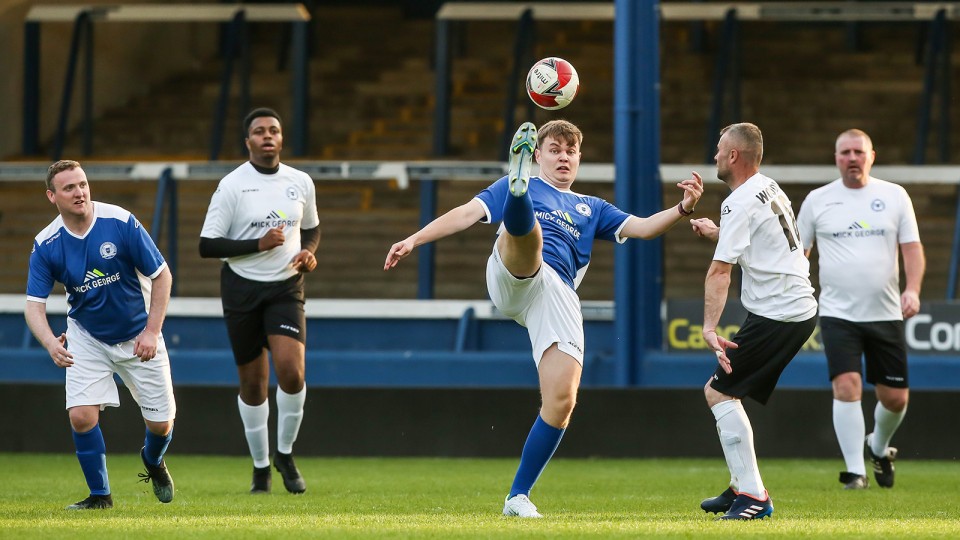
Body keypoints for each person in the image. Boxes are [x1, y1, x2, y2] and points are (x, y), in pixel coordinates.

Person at [384, 119, 704, 518]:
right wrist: (414, 239)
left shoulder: (593, 207)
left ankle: (517, 497)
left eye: (570, 151)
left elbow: (642, 228)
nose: (564, 157)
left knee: (562, 401)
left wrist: (682, 207)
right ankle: (519, 203)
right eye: (554, 150)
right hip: (512, 272)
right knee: (530, 238)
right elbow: (465, 214)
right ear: (537, 156)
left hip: (557, 294)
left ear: (579, 158)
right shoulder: (515, 185)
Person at [25, 160, 176, 510]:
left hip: (139, 334)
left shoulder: (119, 221)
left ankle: (153, 460)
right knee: (81, 416)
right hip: (87, 335)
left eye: (82, 184)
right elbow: (34, 306)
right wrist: (50, 342)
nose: (79, 192)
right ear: (52, 196)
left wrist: (152, 332)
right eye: (69, 188)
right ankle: (100, 496)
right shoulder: (46, 244)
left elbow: (162, 275)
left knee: (161, 425)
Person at [690, 123, 817, 520]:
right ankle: (739, 486)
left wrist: (709, 328)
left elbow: (719, 273)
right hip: (791, 308)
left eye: (719, 149)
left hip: (780, 313)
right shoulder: (768, 187)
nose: (714, 155)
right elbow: (760, 241)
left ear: (733, 156)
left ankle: (754, 496)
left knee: (719, 392)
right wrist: (718, 232)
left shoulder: (738, 202)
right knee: (726, 391)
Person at [199, 107, 320, 494]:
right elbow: (207, 245)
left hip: (286, 287)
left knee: (292, 372)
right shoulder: (232, 186)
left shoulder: (300, 181)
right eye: (259, 131)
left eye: (274, 130)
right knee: (253, 384)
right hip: (242, 288)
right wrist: (258, 244)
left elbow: (312, 229)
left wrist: (308, 252)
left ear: (281, 139)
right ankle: (260, 467)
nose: (268, 136)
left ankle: (285, 453)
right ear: (248, 141)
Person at [796, 129, 924, 490]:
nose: (852, 158)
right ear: (836, 158)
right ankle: (856, 472)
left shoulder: (895, 196)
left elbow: (912, 249)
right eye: (845, 152)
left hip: (886, 313)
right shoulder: (817, 200)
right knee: (846, 385)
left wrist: (912, 290)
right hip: (838, 313)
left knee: (895, 399)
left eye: (858, 151)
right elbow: (799, 253)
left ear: (872, 156)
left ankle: (878, 447)